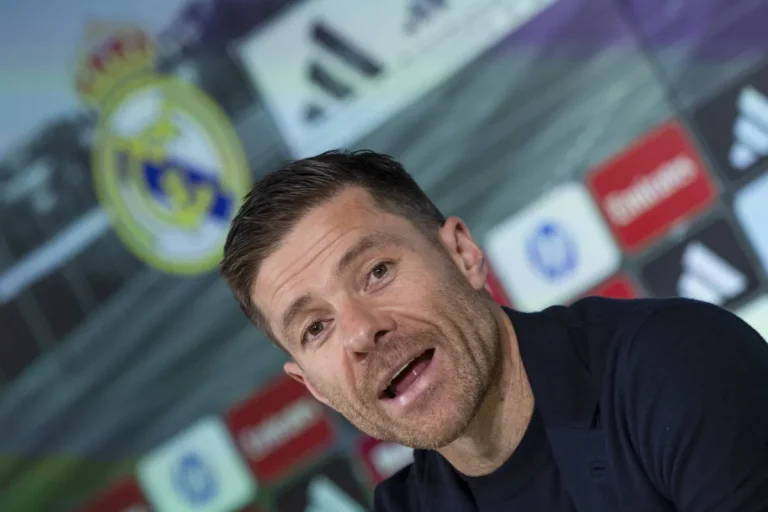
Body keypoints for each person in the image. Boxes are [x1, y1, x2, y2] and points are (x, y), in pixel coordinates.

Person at [220, 149, 768, 511]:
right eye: (316, 328)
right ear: (314, 388)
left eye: (377, 272)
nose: (361, 332)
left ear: (462, 254)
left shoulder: (674, 362)